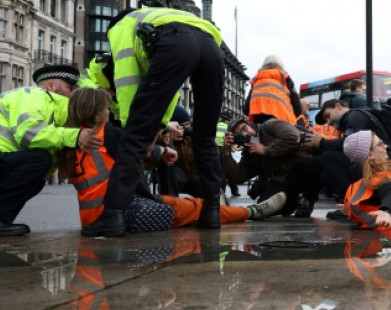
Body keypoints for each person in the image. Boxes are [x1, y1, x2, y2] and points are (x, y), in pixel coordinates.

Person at [82, 6, 226, 237]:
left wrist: (138, 130)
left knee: (134, 135)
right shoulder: (158, 15)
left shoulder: (122, 26)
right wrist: (159, 126)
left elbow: (127, 78)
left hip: (176, 43)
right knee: (205, 138)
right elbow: (171, 92)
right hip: (212, 48)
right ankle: (212, 214)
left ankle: (113, 216)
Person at [61, 87, 285, 231]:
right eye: (106, 108)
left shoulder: (71, 141)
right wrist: (163, 142)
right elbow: (142, 148)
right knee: (198, 208)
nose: (109, 112)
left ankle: (241, 211)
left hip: (90, 220)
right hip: (124, 212)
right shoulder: (107, 134)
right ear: (97, 112)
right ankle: (252, 212)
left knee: (179, 204)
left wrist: (161, 151)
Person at [0, 64, 101, 237]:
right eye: (69, 87)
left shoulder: (52, 110)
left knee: (37, 177)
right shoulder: (33, 96)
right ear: (52, 86)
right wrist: (75, 136)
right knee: (39, 160)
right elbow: (30, 135)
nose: (73, 93)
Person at [223, 118, 308, 216]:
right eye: (240, 134)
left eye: (245, 128)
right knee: (266, 205)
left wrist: (265, 150)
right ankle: (293, 201)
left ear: (250, 125)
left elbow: (294, 137)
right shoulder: (250, 152)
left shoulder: (271, 125)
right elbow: (236, 176)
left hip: (302, 164)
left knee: (313, 166)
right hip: (284, 176)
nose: (245, 134)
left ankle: (307, 199)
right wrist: (226, 153)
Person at [243, 55, 302, 125]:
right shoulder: (286, 79)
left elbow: (246, 110)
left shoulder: (256, 81)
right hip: (282, 123)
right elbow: (298, 109)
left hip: (260, 125)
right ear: (280, 65)